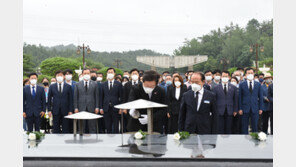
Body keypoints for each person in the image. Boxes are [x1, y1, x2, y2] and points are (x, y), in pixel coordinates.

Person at [74, 68, 100, 133]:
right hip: (81, 107)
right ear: (82, 74)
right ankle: (81, 139)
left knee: (92, 126)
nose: (86, 75)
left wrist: (97, 107)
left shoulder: (95, 84)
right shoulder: (77, 84)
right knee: (81, 126)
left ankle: (93, 139)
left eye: (88, 73)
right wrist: (76, 107)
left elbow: (97, 96)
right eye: (85, 73)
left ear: (90, 74)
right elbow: (75, 97)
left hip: (92, 107)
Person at [238, 68, 263, 134]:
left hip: (255, 108)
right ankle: (244, 141)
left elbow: (260, 97)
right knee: (244, 126)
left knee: (255, 126)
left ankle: (254, 141)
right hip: (244, 108)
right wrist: (240, 108)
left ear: (254, 74)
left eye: (251, 73)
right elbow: (240, 97)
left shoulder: (258, 84)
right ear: (245, 74)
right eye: (248, 73)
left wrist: (260, 108)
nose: (250, 74)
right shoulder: (242, 84)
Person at [99, 67, 123, 133]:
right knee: (107, 126)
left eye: (111, 72)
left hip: (116, 108)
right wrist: (101, 108)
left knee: (116, 126)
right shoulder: (103, 84)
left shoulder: (118, 84)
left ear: (114, 74)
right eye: (109, 72)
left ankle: (116, 141)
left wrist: (121, 108)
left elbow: (121, 97)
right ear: (106, 73)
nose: (110, 73)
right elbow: (101, 97)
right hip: (106, 108)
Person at [122, 68, 141, 132]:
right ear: (130, 75)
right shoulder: (127, 84)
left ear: (138, 75)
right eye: (133, 74)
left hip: (139, 107)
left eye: (136, 73)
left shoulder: (141, 84)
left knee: (139, 123)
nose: (134, 75)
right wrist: (124, 108)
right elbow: (124, 97)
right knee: (129, 124)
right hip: (129, 108)